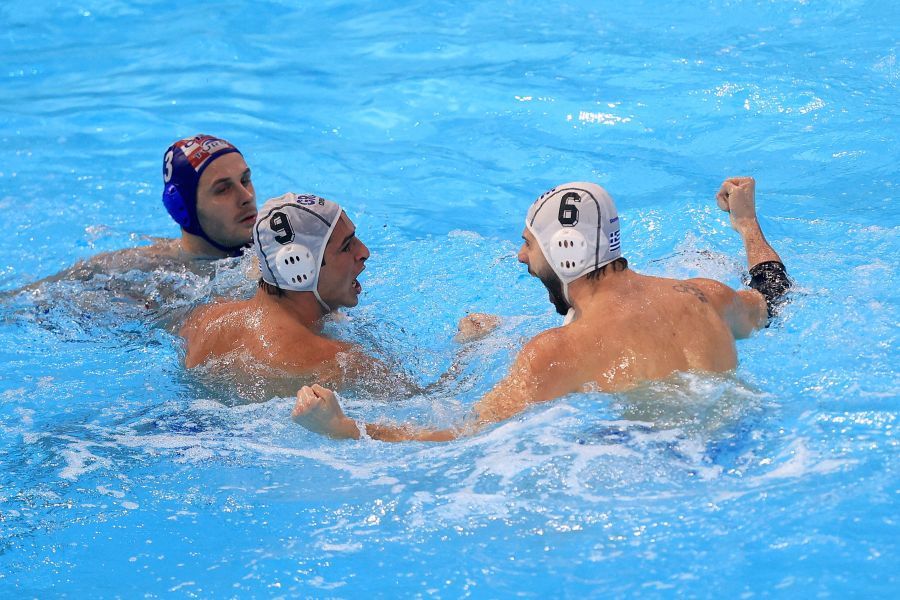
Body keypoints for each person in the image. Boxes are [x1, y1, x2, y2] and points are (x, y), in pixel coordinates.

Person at [290, 177, 792, 442]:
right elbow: (774, 294)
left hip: (655, 473)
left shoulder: (556, 351)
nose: (520, 256)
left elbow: (457, 435)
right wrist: (746, 225)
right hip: (749, 440)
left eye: (529, 244)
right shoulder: (704, 295)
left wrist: (343, 428)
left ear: (565, 252)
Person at [179, 192, 493, 395]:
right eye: (346, 246)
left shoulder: (206, 318)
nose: (364, 252)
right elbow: (434, 404)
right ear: (298, 267)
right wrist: (470, 347)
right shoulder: (339, 361)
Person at [9, 134, 257, 295]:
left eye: (245, 180)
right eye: (223, 189)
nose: (246, 196)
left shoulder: (274, 240)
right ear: (182, 208)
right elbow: (25, 300)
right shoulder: (143, 271)